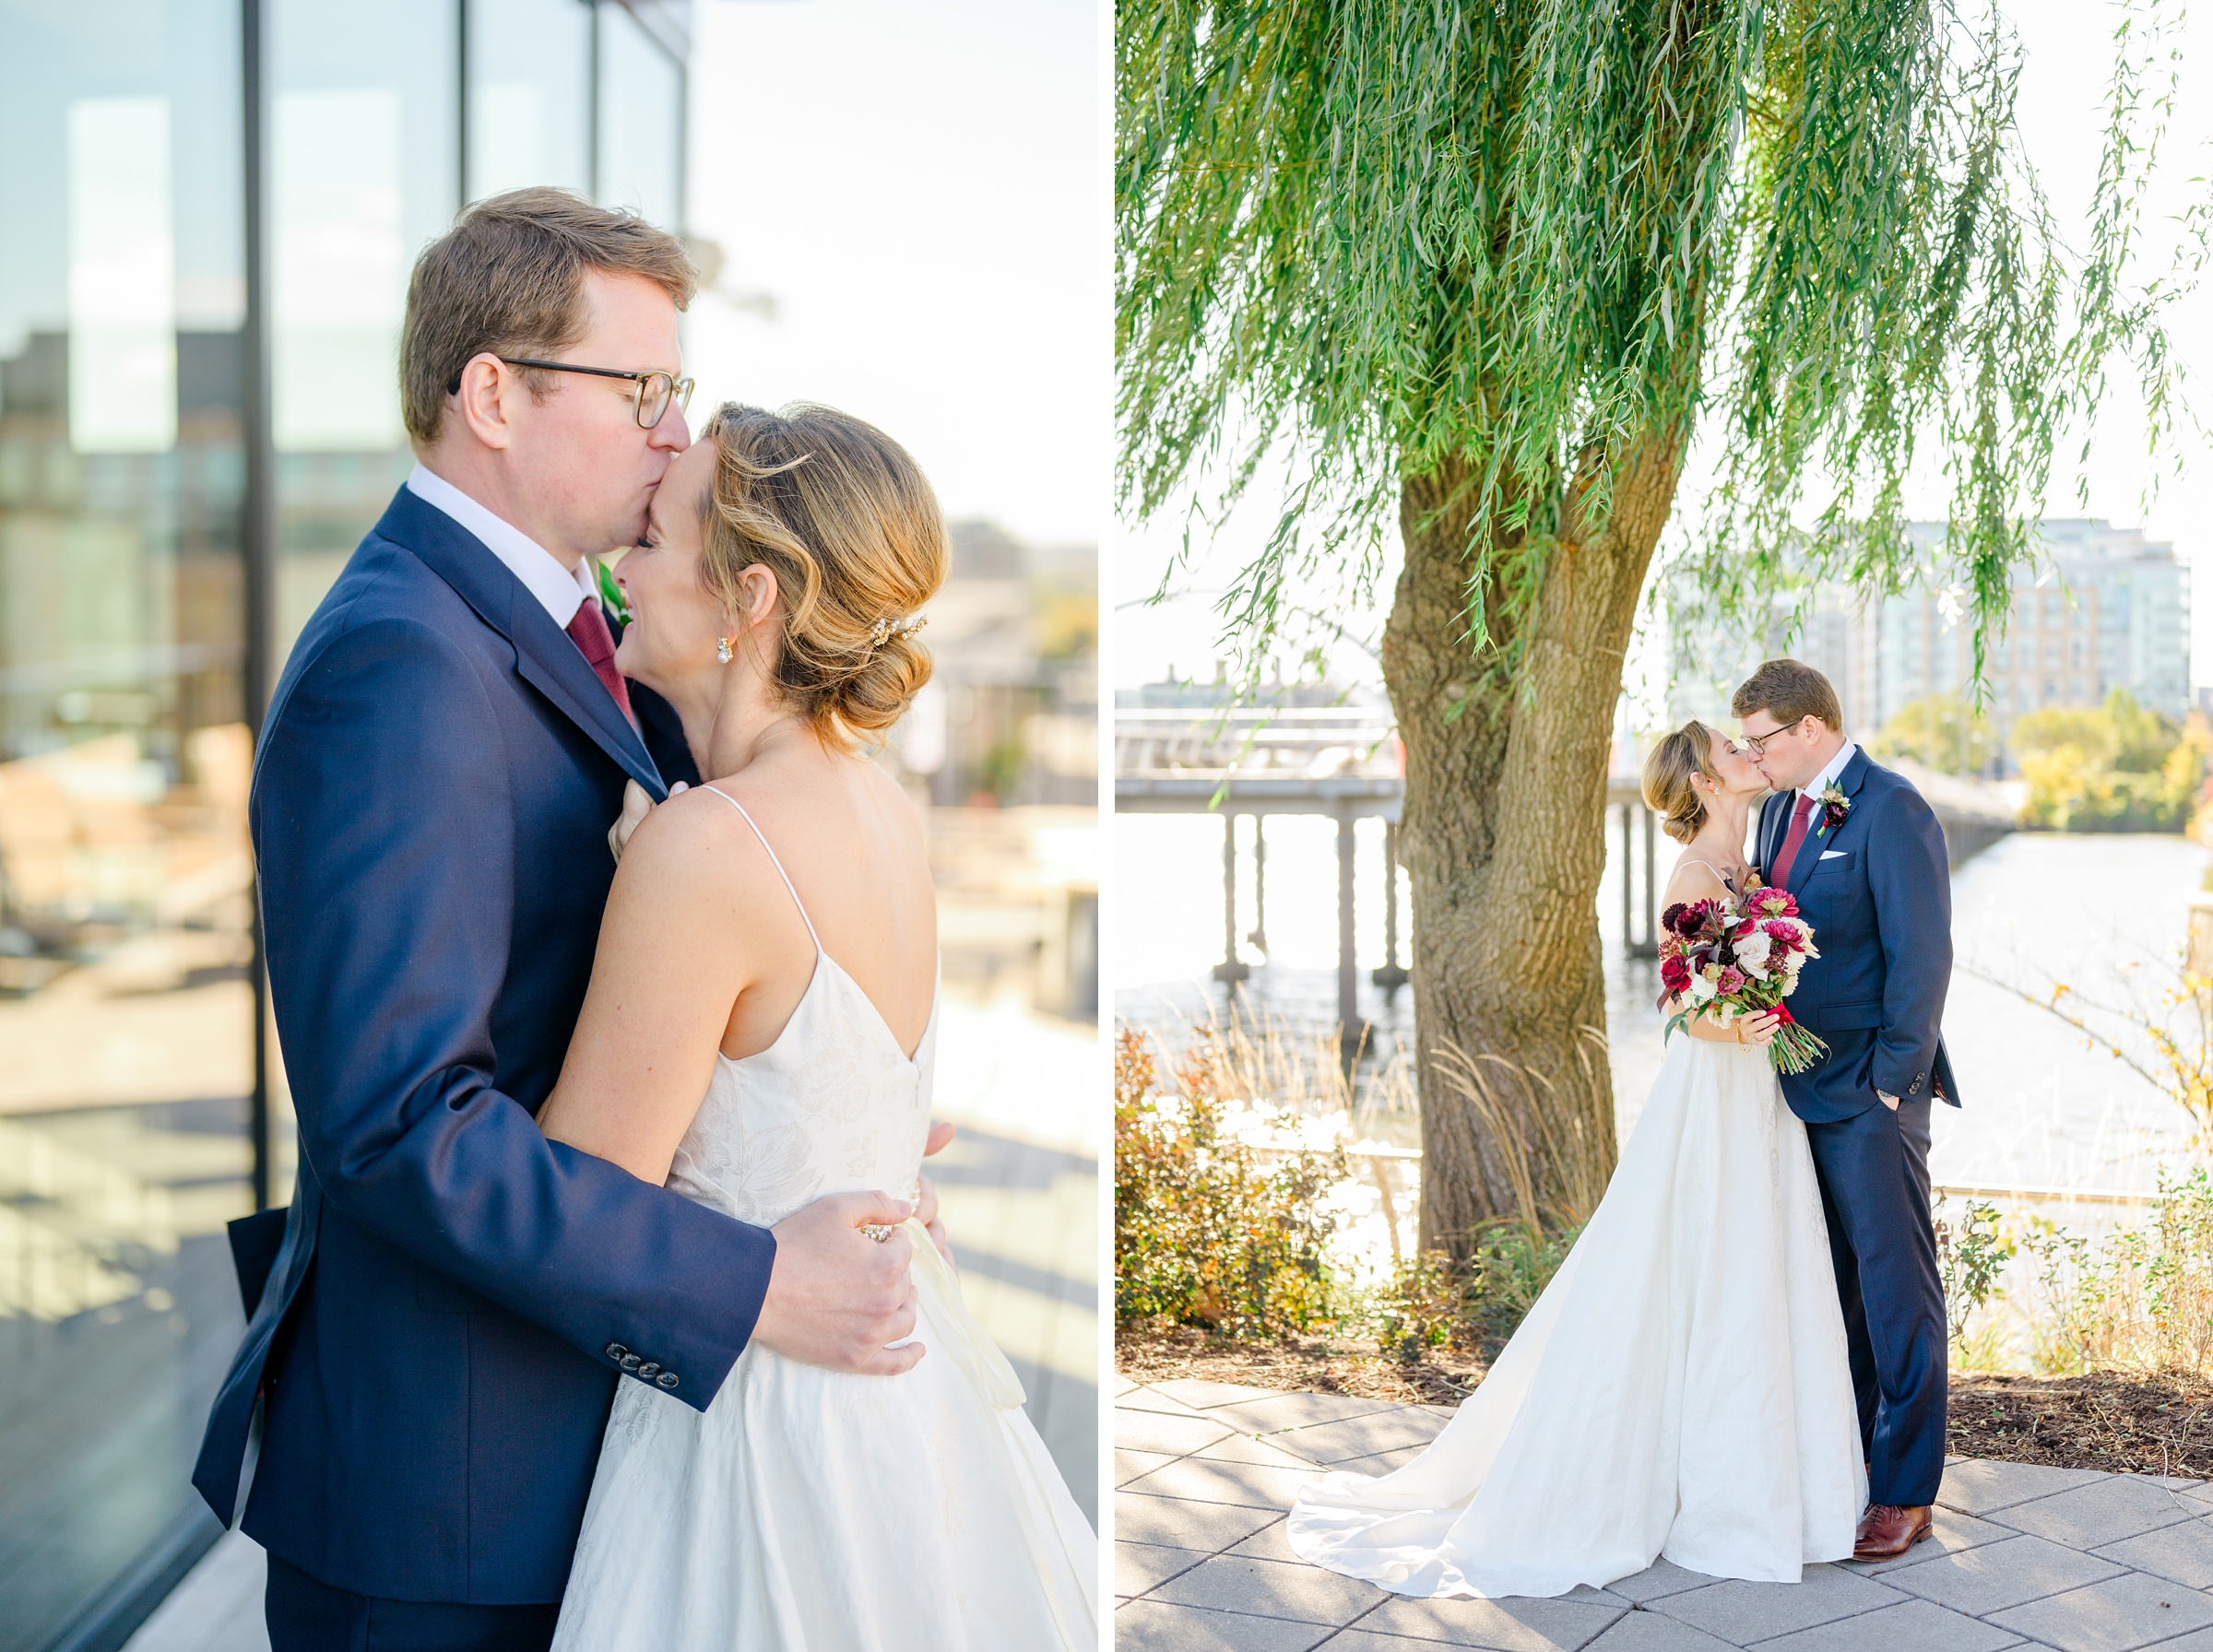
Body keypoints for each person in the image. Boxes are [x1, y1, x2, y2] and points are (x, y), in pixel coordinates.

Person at [193, 190, 950, 1651]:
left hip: (582, 1452)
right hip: (447, 1493)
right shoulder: (400, 662)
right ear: (492, 393)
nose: (675, 433)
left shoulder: (579, 631)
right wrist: (754, 1278)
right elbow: (400, 1124)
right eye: (642, 390)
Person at [538, 401, 1096, 1648]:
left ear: (749, 598)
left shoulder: (708, 847)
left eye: (652, 535)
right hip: (902, 1401)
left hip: (757, 1427)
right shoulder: (884, 811)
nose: (618, 564)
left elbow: (574, 1196)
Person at [1287, 719, 1863, 1598]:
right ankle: (1694, 1493)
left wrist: (1762, 1004)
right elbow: (1684, 1007)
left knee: (1756, 1265)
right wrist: (1739, 1021)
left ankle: (1759, 1484)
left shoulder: (1749, 870)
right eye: (1732, 751)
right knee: (1702, 1262)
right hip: (1712, 1099)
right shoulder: (1694, 877)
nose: (1752, 755)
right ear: (1706, 784)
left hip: (1755, 1098)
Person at [1734, 656, 1959, 1561]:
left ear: (1811, 730)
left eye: (1762, 742)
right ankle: (1849, 1468)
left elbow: (1924, 955)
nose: (1752, 759)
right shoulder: (1781, 810)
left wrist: (1891, 1082)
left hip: (1870, 1097)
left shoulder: (1892, 808)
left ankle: (1906, 1490)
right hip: (1792, 1090)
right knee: (1834, 1295)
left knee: (1897, 1294)